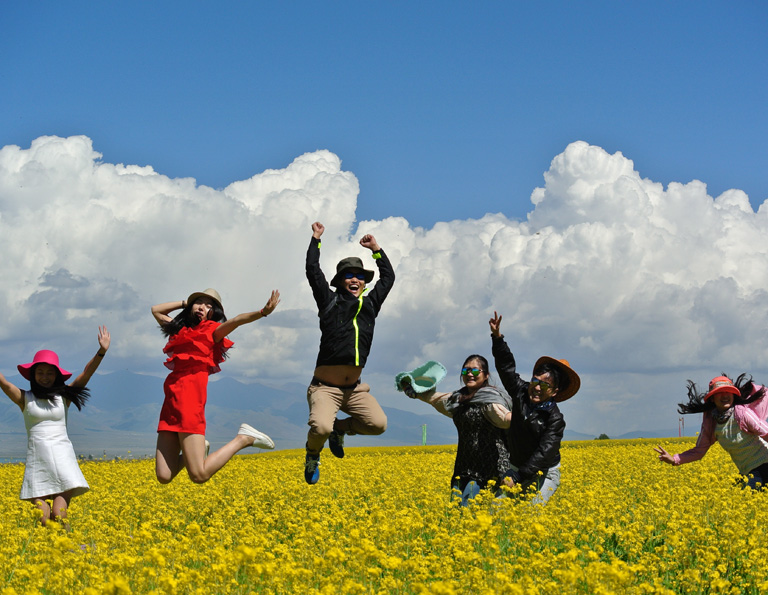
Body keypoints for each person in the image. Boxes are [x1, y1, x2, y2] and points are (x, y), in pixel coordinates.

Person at [151, 287, 279, 484]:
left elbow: (237, 320)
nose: (203, 307)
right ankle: (200, 448)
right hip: (170, 404)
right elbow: (156, 310)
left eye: (209, 305)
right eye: (200, 302)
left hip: (189, 404)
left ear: (214, 313)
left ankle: (244, 438)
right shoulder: (179, 331)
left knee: (199, 475)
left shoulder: (212, 332)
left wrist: (263, 312)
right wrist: (186, 302)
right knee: (164, 476)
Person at [303, 221, 395, 484]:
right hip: (325, 388)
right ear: (340, 281)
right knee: (320, 426)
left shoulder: (370, 305)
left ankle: (339, 429)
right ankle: (312, 453)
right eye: (348, 275)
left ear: (365, 282)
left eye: (360, 276)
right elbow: (312, 270)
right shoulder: (329, 302)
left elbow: (388, 278)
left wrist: (376, 249)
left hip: (354, 389)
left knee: (378, 425)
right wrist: (316, 238)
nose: (355, 279)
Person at [0, 326, 111, 527]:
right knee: (43, 517)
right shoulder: (24, 398)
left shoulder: (64, 397)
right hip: (38, 457)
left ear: (57, 375)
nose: (44, 376)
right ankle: (52, 550)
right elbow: (4, 383)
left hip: (62, 456)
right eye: (40, 372)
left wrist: (101, 352)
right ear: (32, 375)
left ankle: (67, 548)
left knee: (60, 514)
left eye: (49, 373)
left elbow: (86, 374)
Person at [489, 311, 580, 504]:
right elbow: (507, 369)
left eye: (545, 385)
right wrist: (498, 339)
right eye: (535, 381)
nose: (537, 388)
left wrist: (518, 477)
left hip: (543, 472)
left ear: (554, 391)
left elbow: (544, 453)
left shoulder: (555, 419)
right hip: (516, 469)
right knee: (495, 513)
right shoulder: (521, 392)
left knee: (531, 515)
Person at [400, 355, 515, 506]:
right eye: (465, 370)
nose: (469, 374)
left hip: (489, 468)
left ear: (486, 375)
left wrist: (527, 419)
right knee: (455, 510)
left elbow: (505, 419)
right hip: (463, 466)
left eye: (475, 371)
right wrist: (413, 389)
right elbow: (436, 398)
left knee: (468, 512)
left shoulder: (490, 400)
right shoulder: (458, 400)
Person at [654, 375, 768, 489]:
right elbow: (699, 451)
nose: (725, 396)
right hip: (746, 470)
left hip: (764, 463)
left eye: (728, 391)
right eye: (720, 392)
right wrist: (674, 459)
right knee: (734, 496)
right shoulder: (711, 422)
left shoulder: (742, 414)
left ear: (733, 395)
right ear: (712, 398)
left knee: (746, 499)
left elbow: (765, 431)